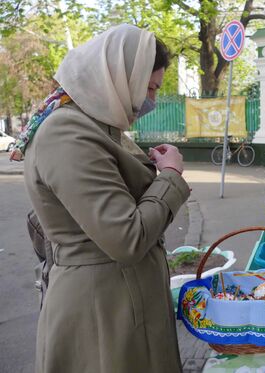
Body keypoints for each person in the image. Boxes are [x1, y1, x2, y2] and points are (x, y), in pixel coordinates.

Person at [16, 25, 190, 373]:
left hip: (123, 301)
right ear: (119, 76)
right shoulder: (67, 133)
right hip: (101, 313)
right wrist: (170, 176)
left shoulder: (100, 126)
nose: (150, 101)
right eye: (150, 88)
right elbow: (126, 238)